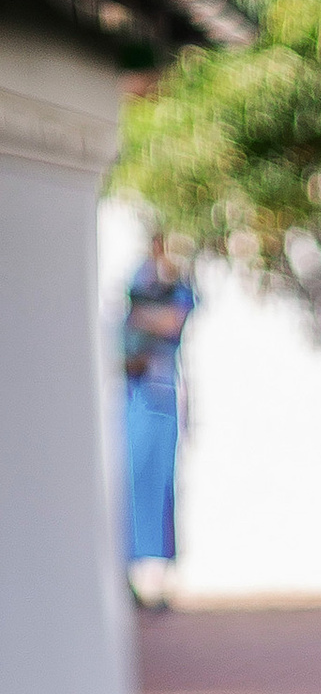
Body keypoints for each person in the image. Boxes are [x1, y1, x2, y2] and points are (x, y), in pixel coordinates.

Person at [122, 232, 195, 607]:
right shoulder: (139, 281)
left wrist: (145, 316)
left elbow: (170, 322)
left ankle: (160, 581)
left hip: (162, 399)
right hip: (137, 400)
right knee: (131, 487)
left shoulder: (175, 286)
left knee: (163, 489)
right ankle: (132, 578)